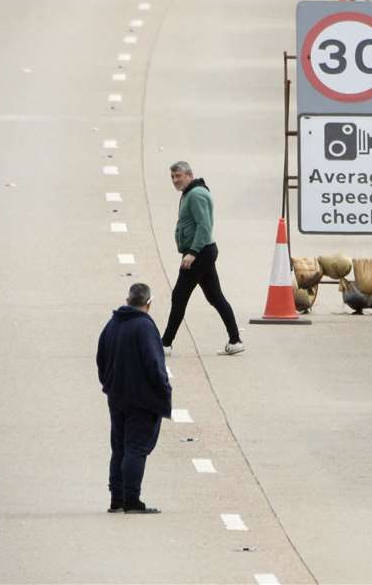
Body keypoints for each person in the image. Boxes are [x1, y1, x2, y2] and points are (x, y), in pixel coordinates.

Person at [97, 283, 171, 514]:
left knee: (118, 447)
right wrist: (164, 391)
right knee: (136, 449)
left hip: (116, 397)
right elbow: (154, 365)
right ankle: (132, 499)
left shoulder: (112, 324)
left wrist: (108, 384)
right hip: (142, 400)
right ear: (149, 303)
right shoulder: (145, 328)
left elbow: (100, 359)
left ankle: (116, 498)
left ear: (127, 300)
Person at [161, 161, 244, 355]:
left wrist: (192, 252)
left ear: (189, 175)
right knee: (215, 297)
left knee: (179, 296)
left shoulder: (196, 194)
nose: (175, 180)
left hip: (199, 253)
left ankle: (165, 344)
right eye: (172, 177)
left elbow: (204, 225)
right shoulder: (189, 193)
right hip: (202, 252)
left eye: (178, 176)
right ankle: (235, 340)